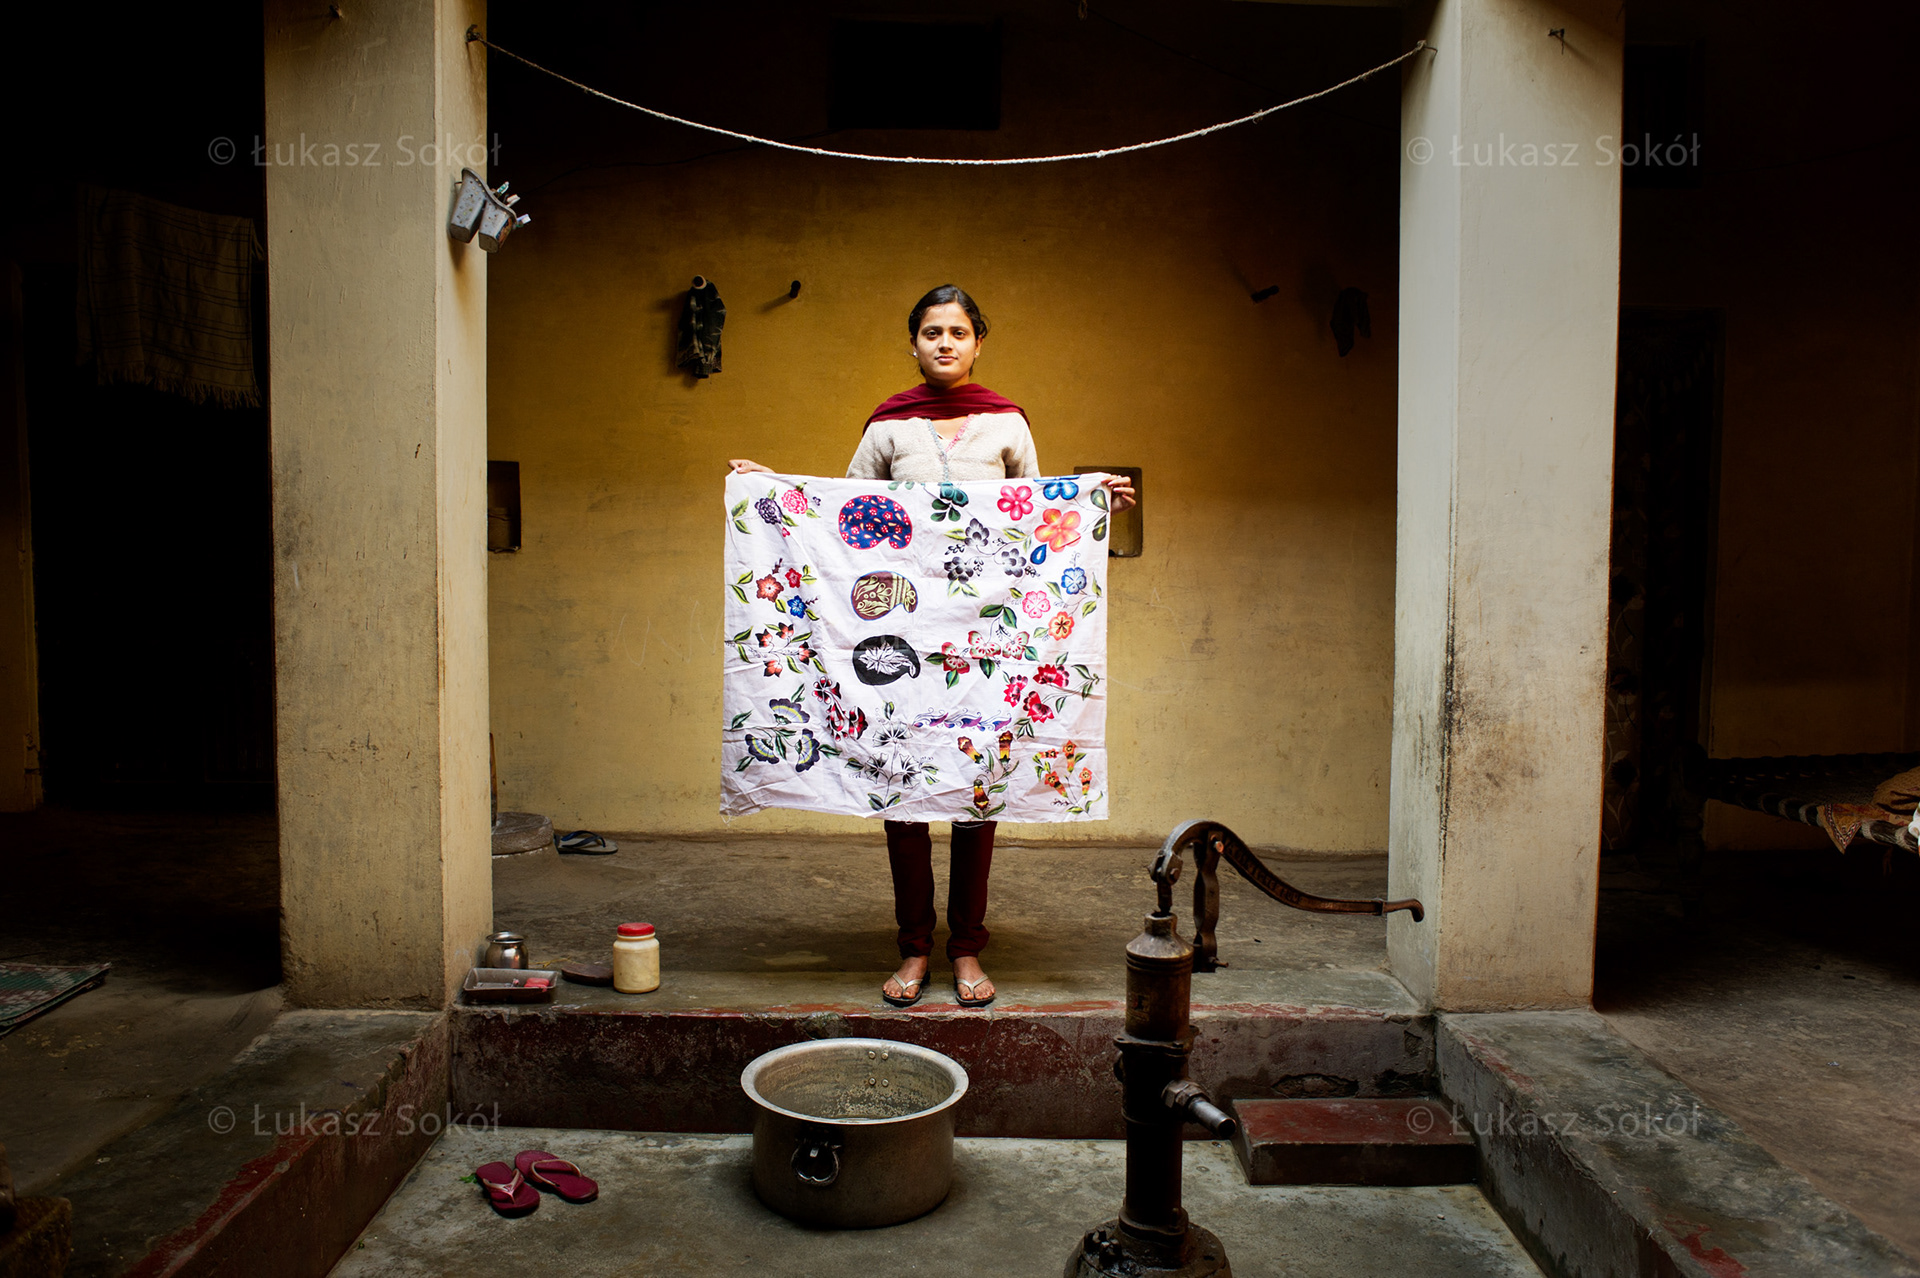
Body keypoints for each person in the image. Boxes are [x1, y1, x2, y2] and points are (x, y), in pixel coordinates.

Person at [729, 284, 1135, 1009]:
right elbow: (840, 516)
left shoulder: (1007, 424)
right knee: (903, 791)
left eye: (957, 331)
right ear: (912, 344)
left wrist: (1087, 494)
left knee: (980, 794)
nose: (944, 343)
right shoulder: (889, 427)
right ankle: (914, 948)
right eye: (930, 332)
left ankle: (968, 951)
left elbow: (1036, 520)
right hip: (898, 639)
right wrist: (772, 491)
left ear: (978, 341)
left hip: (987, 642)